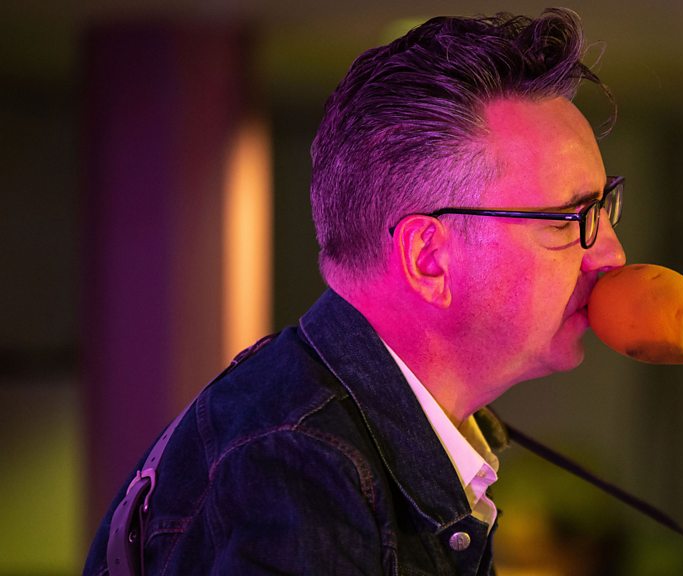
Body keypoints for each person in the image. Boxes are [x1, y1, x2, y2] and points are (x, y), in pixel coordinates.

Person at [83, 7, 626, 575]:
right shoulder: (301, 467)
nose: (611, 254)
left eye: (604, 205)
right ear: (429, 259)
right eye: (571, 218)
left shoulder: (319, 433)